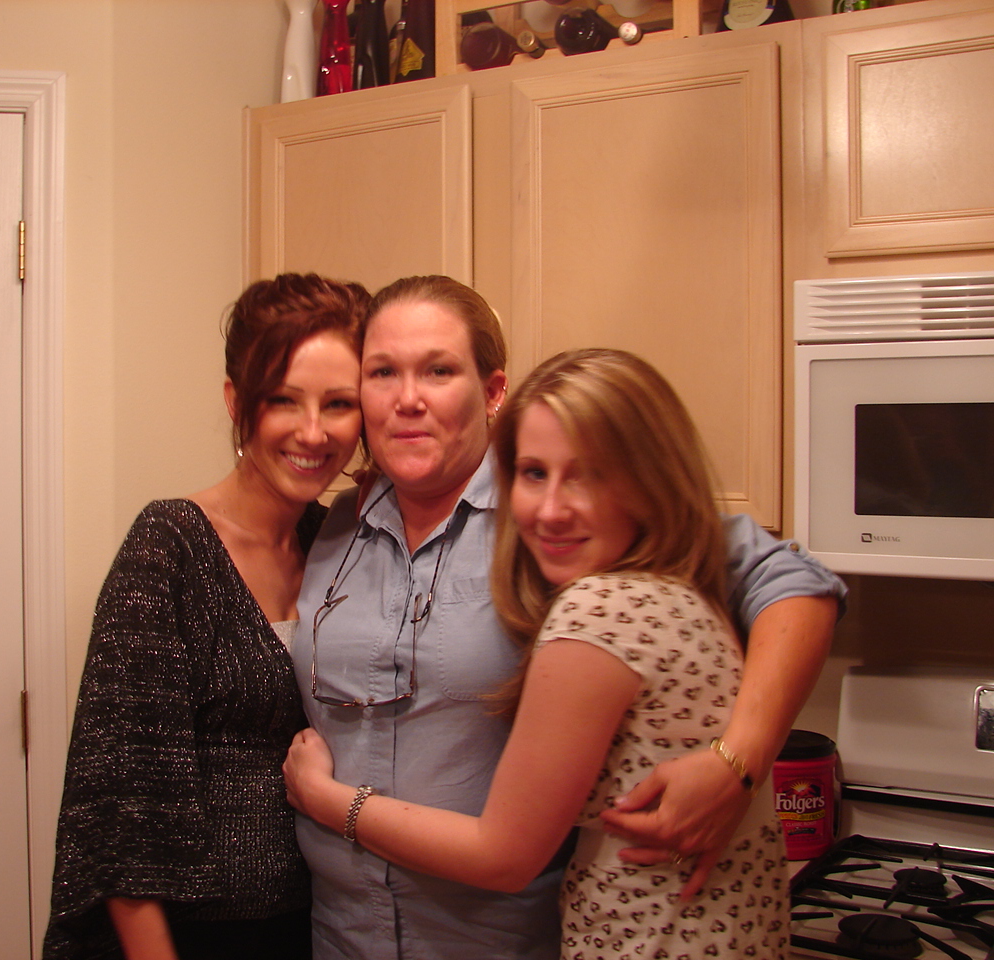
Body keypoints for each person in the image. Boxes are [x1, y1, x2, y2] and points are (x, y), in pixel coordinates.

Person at [288, 276, 844, 960]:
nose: (408, 398)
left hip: (509, 939)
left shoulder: (554, 518)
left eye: (438, 370)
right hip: (343, 934)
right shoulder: (338, 525)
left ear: (492, 390)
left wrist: (742, 759)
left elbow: (794, 580)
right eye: (382, 372)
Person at [43, 273, 370, 960]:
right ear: (236, 402)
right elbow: (123, 803)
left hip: (322, 926)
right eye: (283, 400)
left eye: (339, 404)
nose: (314, 432)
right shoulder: (170, 545)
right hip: (192, 935)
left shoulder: (340, 544)